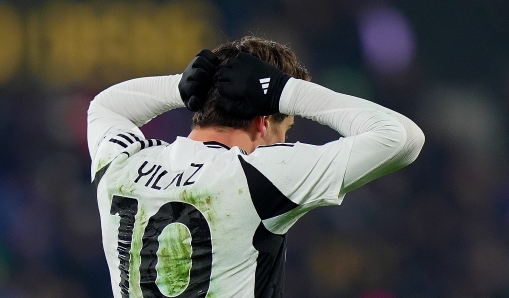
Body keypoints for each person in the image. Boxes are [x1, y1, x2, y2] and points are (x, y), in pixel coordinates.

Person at [87, 36, 424, 298]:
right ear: (264, 121)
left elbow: (104, 106)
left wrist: (180, 86)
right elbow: (402, 138)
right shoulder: (260, 175)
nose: (283, 141)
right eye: (285, 129)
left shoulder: (121, 164)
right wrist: (285, 91)